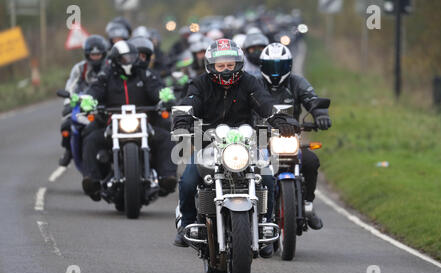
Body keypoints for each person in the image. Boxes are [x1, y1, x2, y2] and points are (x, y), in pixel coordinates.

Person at [171, 39, 299, 248]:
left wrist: (280, 121)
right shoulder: (200, 83)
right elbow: (190, 101)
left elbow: (263, 102)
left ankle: (266, 223)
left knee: (266, 178)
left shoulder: (249, 81)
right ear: (211, 66)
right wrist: (183, 120)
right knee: (187, 180)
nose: (226, 70)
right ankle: (187, 223)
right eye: (221, 66)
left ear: (238, 65)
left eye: (230, 65)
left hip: (245, 143)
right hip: (208, 143)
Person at [257, 43, 332, 254]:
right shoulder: (253, 83)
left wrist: (320, 115)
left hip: (290, 137)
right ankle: (256, 219)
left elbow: (312, 99)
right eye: (271, 65)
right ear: (262, 65)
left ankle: (307, 204)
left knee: (310, 160)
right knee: (256, 171)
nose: (275, 71)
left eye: (280, 65)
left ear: (288, 65)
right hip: (260, 139)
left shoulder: (297, 82)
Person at [81, 40, 177, 201]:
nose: (129, 61)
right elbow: (95, 89)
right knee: (90, 139)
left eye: (132, 57)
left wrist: (165, 98)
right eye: (125, 58)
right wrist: (89, 100)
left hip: (144, 123)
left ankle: (167, 176)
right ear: (116, 59)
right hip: (112, 123)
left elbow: (157, 88)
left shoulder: (145, 74)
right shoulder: (106, 76)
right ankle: (92, 179)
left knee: (167, 138)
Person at [59, 35, 109, 167]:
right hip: (84, 105)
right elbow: (71, 86)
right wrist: (69, 103)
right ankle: (69, 151)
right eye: (93, 54)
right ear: (87, 55)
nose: (96, 57)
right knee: (67, 124)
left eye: (98, 54)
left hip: (107, 105)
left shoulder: (111, 67)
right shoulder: (80, 69)